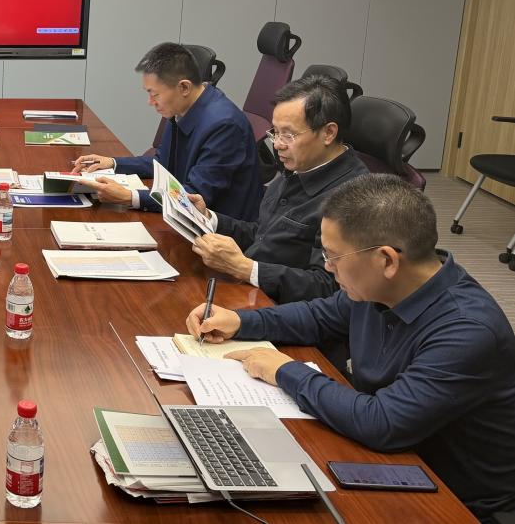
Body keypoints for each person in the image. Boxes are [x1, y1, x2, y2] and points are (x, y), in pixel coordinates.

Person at [186, 175, 515, 522]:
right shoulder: (383, 287)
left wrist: (283, 369)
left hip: (456, 501)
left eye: (333, 256)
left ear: (386, 260)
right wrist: (241, 321)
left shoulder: (467, 330)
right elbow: (319, 316)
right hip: (391, 459)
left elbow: (382, 422)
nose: (328, 268)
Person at [187, 76, 367, 304]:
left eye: (288, 135)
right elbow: (264, 234)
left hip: (282, 309)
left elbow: (327, 287)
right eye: (275, 132)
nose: (277, 144)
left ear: (328, 133)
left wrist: (247, 268)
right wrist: (209, 218)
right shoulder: (300, 166)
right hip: (250, 291)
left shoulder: (353, 198)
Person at [72, 42, 261, 220]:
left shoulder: (224, 125)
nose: (150, 102)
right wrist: (112, 163)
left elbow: (195, 196)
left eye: (155, 94)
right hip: (184, 218)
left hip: (218, 232)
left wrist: (130, 197)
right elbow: (163, 162)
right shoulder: (182, 108)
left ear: (184, 87)